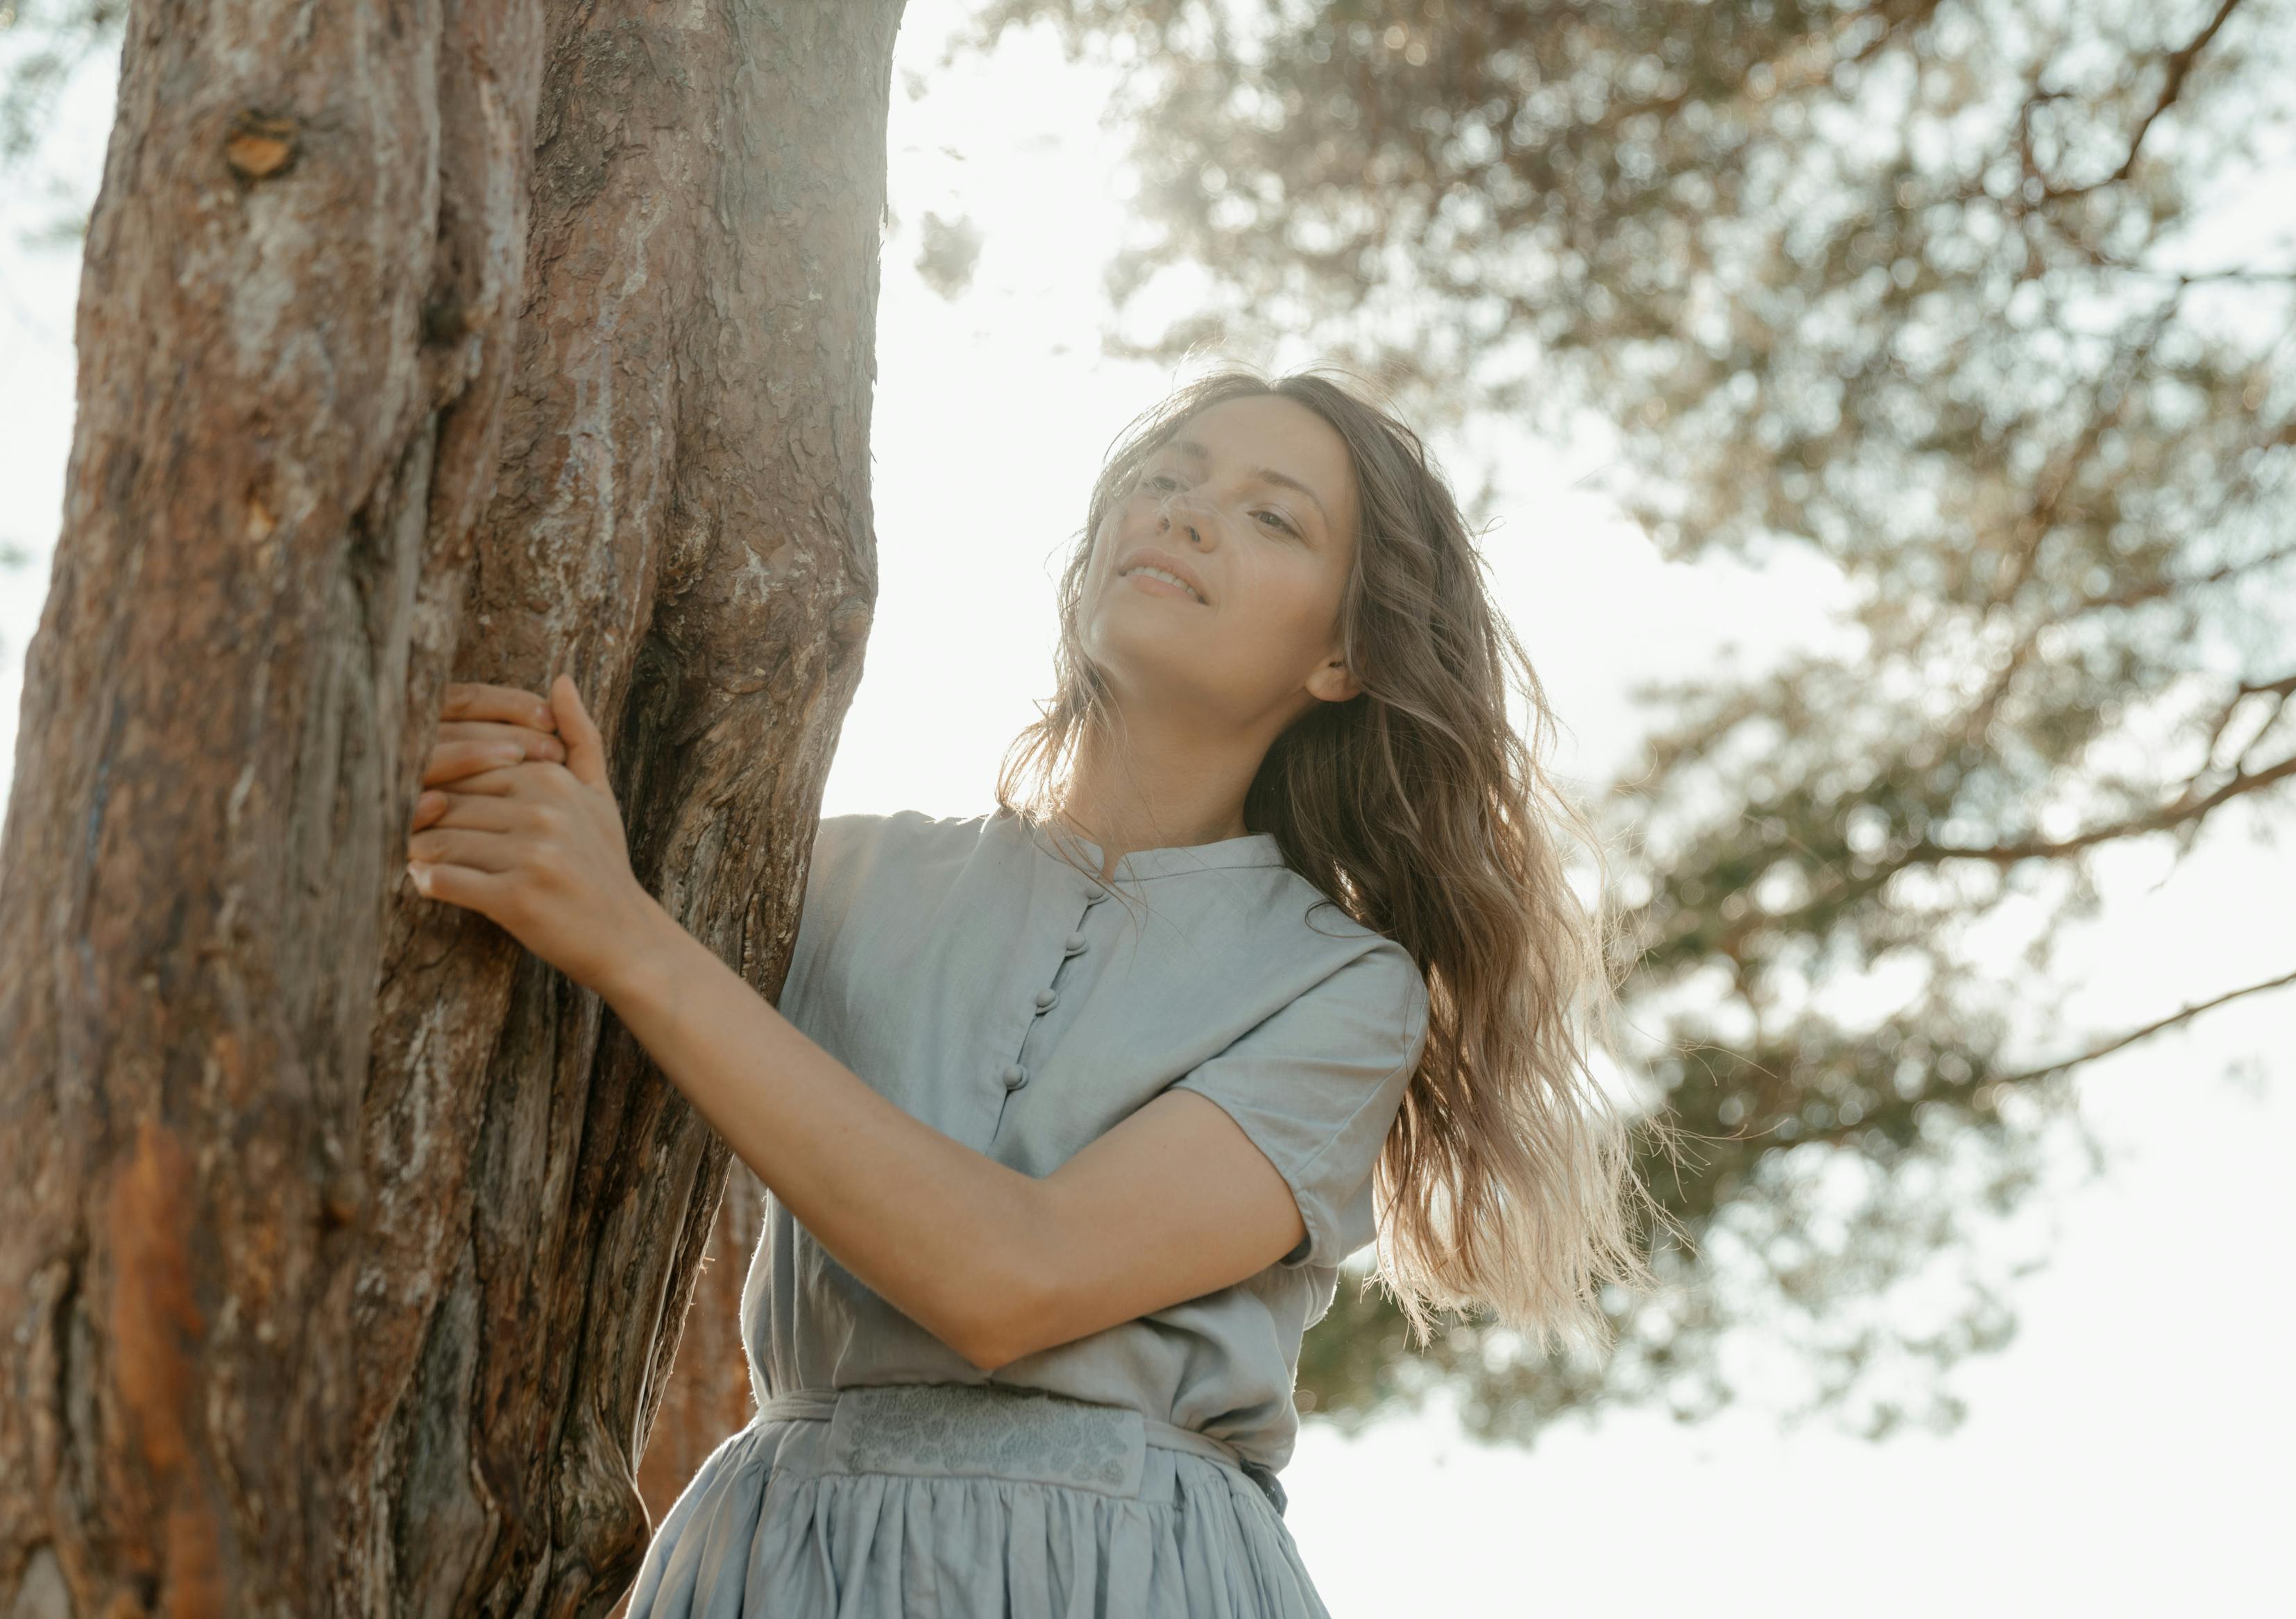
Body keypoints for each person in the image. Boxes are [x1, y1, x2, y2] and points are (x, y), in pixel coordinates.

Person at [402, 365, 1667, 1616]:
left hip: (1132, 1578)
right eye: (1166, 479)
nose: (1184, 512)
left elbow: (1013, 1281)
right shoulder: (825, 871)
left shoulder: (1342, 985)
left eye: (1272, 515)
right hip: (782, 1562)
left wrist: (625, 931)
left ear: (1342, 653)